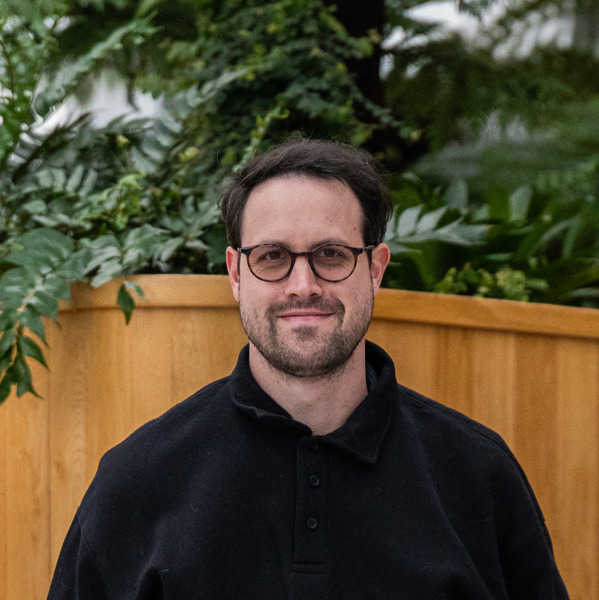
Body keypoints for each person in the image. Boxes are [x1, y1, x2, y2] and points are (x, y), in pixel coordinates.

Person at [48, 138, 569, 599]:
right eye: (272, 256)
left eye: (332, 254)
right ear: (236, 274)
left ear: (375, 269)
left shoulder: (478, 474)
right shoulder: (136, 482)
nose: (303, 286)